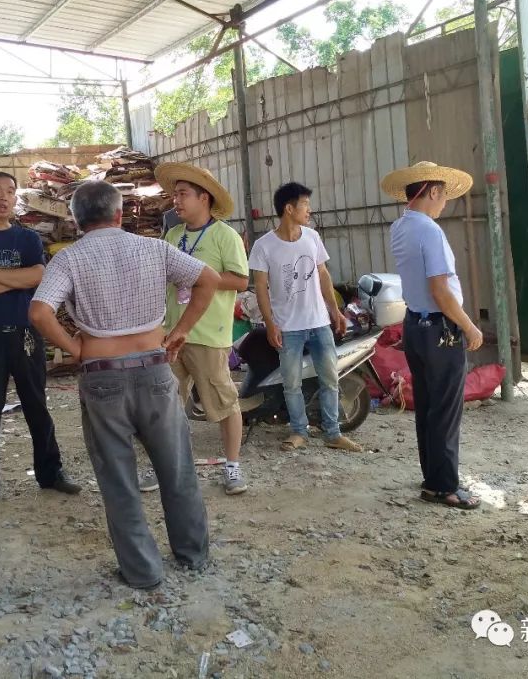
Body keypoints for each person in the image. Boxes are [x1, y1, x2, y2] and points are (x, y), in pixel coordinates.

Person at [29, 180, 219, 590]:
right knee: (177, 468)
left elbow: (41, 312)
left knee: (118, 479)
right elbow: (209, 278)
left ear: (77, 221)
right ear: (119, 214)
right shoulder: (152, 248)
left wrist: (76, 348)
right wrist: (181, 331)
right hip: (154, 368)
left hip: (102, 377)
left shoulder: (69, 259)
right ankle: (192, 554)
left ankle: (142, 571)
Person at [0, 171, 80, 513]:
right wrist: (14, 281)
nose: (3, 197)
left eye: (10, 191)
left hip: (25, 334)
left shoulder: (27, 240)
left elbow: (37, 276)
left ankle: (51, 473)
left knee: (37, 406)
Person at [143, 162, 250, 496]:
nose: (177, 201)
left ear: (204, 198)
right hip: (172, 332)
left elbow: (242, 280)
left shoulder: (225, 236)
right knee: (164, 402)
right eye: (175, 195)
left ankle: (232, 467)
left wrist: (200, 277)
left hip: (208, 334)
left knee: (223, 401)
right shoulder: (172, 236)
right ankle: (161, 465)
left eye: (183, 194)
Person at [382, 161, 484, 510]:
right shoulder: (429, 230)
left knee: (428, 405)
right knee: (445, 408)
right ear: (433, 191)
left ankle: (433, 477)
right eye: (444, 197)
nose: (444, 204)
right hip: (441, 328)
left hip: (415, 324)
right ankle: (444, 486)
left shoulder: (400, 227)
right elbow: (441, 289)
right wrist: (469, 325)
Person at [249, 182, 361, 454]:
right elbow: (260, 289)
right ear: (289, 209)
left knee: (329, 379)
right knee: (292, 383)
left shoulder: (312, 237)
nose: (309, 211)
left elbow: (323, 275)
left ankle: (332, 432)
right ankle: (299, 431)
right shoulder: (264, 246)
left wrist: (335, 311)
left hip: (319, 322)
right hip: (288, 328)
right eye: (305, 205)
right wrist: (270, 323)